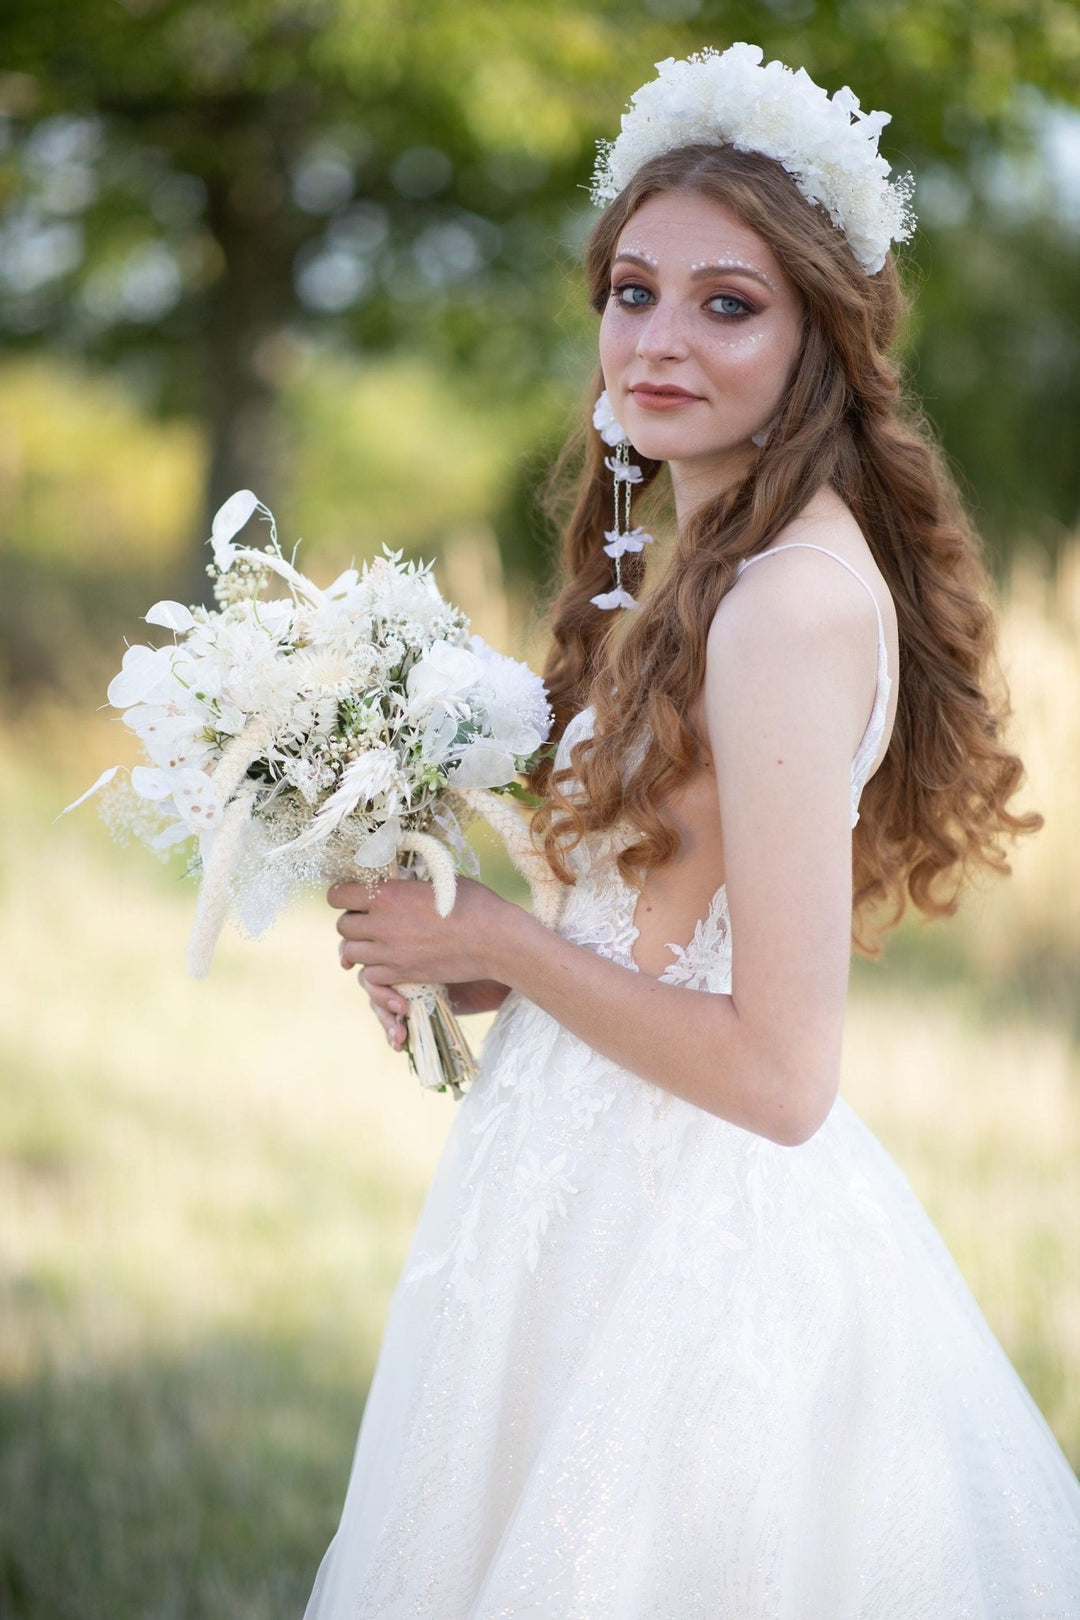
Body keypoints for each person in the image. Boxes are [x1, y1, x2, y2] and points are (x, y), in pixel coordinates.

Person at [305, 45, 1080, 1618]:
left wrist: (498, 936)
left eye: (729, 304)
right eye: (634, 291)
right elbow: (652, 930)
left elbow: (785, 1079)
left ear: (821, 342)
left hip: (691, 1242)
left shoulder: (786, 601)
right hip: (578, 1177)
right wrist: (470, 959)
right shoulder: (704, 561)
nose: (658, 341)